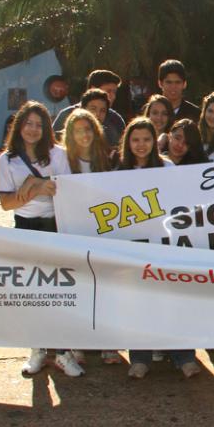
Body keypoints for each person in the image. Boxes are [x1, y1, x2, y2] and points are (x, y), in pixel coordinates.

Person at [0, 101, 84, 378]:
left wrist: (35, 186)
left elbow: (67, 192)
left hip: (56, 225)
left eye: (39, 125)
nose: (33, 130)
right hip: (26, 227)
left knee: (59, 292)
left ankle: (63, 353)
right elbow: (6, 203)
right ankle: (37, 350)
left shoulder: (59, 155)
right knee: (33, 293)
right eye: (28, 124)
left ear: (46, 128)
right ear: (19, 126)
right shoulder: (6, 160)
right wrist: (34, 188)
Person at [116, 117, 201, 379]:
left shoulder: (167, 167)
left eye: (146, 139)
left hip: (165, 245)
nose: (141, 145)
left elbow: (181, 205)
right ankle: (140, 359)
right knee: (138, 304)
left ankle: (184, 357)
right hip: (133, 247)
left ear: (155, 141)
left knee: (173, 301)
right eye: (135, 140)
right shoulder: (116, 172)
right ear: (128, 142)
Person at [63, 109, 124, 365]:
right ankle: (78, 343)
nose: (84, 135)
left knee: (105, 288)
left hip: (103, 234)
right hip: (73, 232)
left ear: (95, 131)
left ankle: (108, 344)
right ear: (70, 134)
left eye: (88, 129)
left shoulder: (108, 159)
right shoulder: (63, 161)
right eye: (78, 130)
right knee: (79, 288)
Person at [52, 69, 126, 144]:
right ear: (93, 89)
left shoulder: (116, 120)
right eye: (108, 91)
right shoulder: (67, 115)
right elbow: (52, 144)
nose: (113, 96)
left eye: (114, 92)